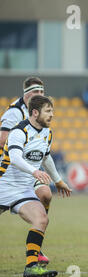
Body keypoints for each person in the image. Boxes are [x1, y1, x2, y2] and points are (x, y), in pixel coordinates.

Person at [0, 95, 72, 277]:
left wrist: (58, 180)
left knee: (41, 219)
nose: (52, 115)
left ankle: (31, 267)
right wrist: (34, 172)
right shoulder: (19, 131)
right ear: (34, 112)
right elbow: (14, 158)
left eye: (52, 111)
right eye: (48, 111)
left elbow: (46, 157)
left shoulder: (47, 133)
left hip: (23, 190)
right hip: (3, 186)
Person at [0, 76, 57, 265]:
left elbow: (45, 152)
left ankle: (36, 250)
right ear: (26, 94)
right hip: (9, 169)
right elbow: (3, 140)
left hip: (26, 171)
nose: (39, 95)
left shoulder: (44, 122)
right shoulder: (14, 113)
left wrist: (57, 179)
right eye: (35, 92)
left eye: (42, 92)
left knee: (46, 196)